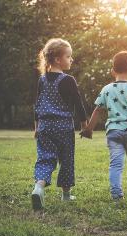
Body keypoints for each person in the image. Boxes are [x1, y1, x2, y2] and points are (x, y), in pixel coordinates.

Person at [80, 51, 127, 200]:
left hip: (113, 132)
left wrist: (88, 129)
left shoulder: (106, 89)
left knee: (116, 163)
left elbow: (97, 110)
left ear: (113, 71)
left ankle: (116, 193)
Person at [31, 38, 88, 210]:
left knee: (45, 158)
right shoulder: (68, 80)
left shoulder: (42, 79)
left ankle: (38, 187)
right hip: (63, 126)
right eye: (69, 56)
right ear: (58, 59)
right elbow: (78, 103)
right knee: (66, 159)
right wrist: (84, 125)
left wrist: (36, 127)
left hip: (45, 126)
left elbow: (37, 104)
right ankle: (65, 194)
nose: (71, 60)